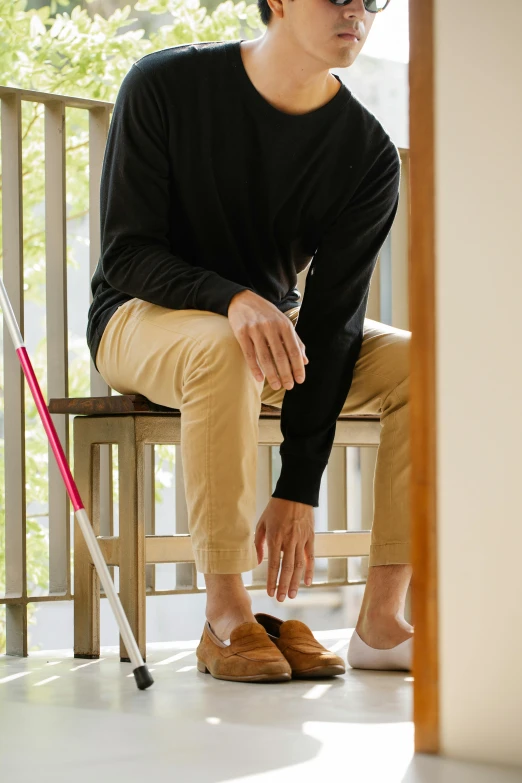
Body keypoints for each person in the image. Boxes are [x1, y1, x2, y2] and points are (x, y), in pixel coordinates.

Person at [87, 0, 413, 682]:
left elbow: (333, 323)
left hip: (269, 335)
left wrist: (300, 484)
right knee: (221, 344)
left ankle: (381, 621)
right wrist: (231, 298)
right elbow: (127, 254)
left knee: (425, 363)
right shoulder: (165, 85)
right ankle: (226, 611)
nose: (356, 10)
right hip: (141, 317)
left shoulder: (368, 153)